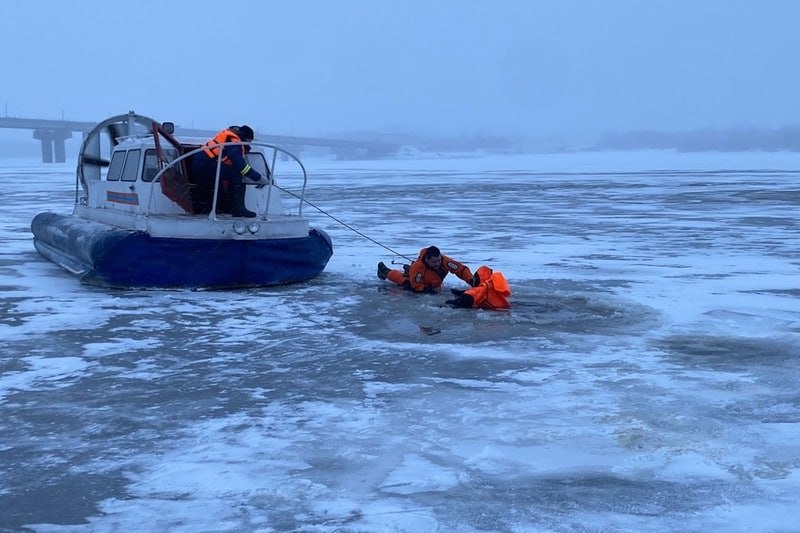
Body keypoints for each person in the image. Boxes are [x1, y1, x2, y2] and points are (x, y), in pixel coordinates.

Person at [189, 124, 268, 217]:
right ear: (246, 138)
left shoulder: (229, 138)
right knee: (236, 173)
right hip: (204, 165)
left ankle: (212, 208)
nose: (249, 143)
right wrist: (258, 178)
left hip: (203, 164)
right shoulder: (234, 142)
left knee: (217, 186)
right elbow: (241, 166)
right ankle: (239, 208)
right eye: (249, 141)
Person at [377, 245, 475, 293]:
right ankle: (385, 272)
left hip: (434, 282)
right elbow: (416, 286)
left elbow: (460, 270)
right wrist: (429, 290)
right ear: (427, 259)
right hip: (420, 281)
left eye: (439, 260)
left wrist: (471, 280)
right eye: (434, 262)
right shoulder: (418, 267)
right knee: (406, 282)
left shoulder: (445, 261)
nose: (438, 263)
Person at [445, 265, 511, 310]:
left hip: (497, 311)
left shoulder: (483, 288)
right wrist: (460, 292)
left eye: (475, 279)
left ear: (479, 278)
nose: (473, 282)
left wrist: (451, 302)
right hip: (505, 308)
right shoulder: (491, 285)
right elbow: (474, 292)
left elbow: (469, 297)